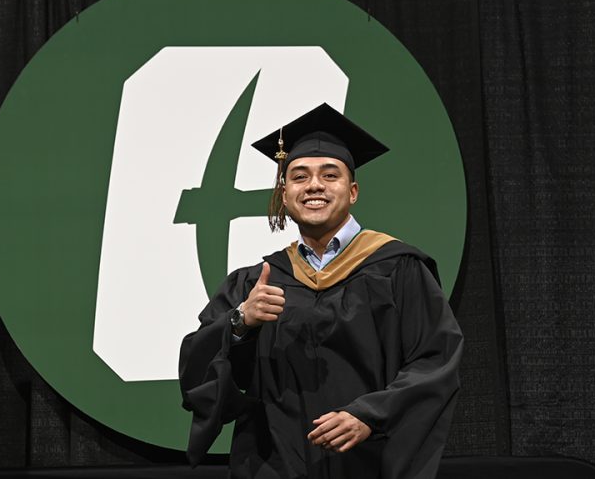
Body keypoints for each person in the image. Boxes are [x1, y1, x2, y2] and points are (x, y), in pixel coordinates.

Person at [178, 103, 463, 479]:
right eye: (299, 176)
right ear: (284, 193)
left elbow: (434, 360)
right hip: (272, 465)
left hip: (365, 461)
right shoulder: (255, 282)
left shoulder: (398, 268)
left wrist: (369, 415)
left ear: (353, 191)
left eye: (330, 175)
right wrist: (239, 323)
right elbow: (197, 374)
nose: (314, 185)